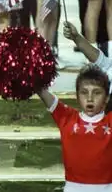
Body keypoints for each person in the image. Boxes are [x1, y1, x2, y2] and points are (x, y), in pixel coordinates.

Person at [37, 29, 112, 191]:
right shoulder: (67, 118)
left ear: (106, 98)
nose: (90, 98)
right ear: (77, 96)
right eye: (84, 93)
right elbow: (42, 92)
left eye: (97, 93)